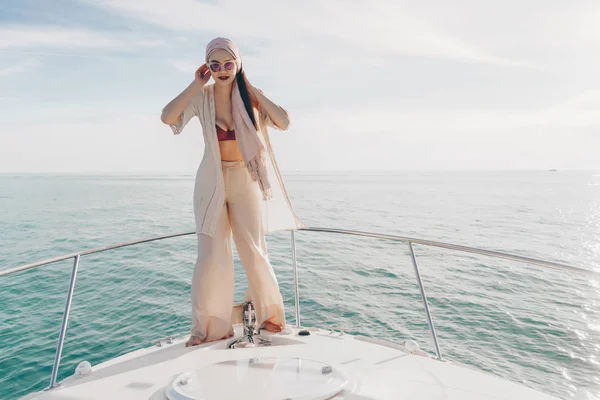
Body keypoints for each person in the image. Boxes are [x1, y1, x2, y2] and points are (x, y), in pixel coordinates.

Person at [160, 37, 307, 347]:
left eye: (228, 64)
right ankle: (210, 328)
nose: (222, 70)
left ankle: (270, 316)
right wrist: (194, 84)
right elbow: (168, 117)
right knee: (211, 258)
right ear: (207, 67)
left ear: (238, 63)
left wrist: (253, 91)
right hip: (211, 182)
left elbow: (284, 121)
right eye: (215, 65)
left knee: (254, 250)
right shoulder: (203, 96)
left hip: (245, 180)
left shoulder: (251, 98)